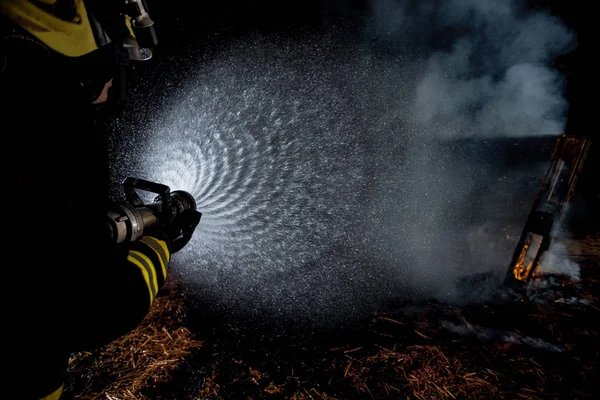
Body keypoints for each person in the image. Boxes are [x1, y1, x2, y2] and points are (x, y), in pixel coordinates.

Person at [0, 1, 201, 399]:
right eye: (116, 54)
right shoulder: (60, 131)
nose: (114, 76)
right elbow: (87, 306)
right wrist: (159, 247)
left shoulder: (17, 112)